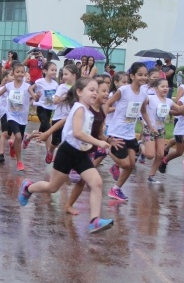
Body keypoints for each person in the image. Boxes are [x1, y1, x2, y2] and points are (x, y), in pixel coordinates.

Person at [18, 78, 115, 234]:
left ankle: (94, 221)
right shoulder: (79, 109)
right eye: (91, 90)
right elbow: (77, 133)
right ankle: (28, 188)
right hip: (68, 152)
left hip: (81, 153)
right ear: (79, 92)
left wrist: (103, 140)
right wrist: (98, 142)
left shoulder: (87, 110)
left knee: (96, 183)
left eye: (97, 90)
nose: (95, 93)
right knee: (53, 187)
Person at [104, 62, 156, 200]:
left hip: (130, 133)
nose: (143, 77)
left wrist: (150, 126)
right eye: (140, 74)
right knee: (125, 163)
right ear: (132, 76)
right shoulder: (124, 90)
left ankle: (116, 189)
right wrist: (103, 122)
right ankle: (108, 150)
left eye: (145, 75)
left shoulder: (144, 93)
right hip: (117, 132)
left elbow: (143, 111)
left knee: (131, 165)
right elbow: (108, 103)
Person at [0, 63, 31, 171]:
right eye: (17, 72)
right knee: (18, 136)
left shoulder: (27, 86)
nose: (20, 74)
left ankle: (11, 146)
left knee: (17, 139)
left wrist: (36, 97)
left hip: (22, 117)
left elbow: (33, 96)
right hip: (10, 115)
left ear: (24, 74)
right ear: (13, 73)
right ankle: (19, 161)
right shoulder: (8, 86)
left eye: (22, 72)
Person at [30, 61, 59, 163]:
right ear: (45, 71)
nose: (54, 72)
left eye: (55, 70)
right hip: (41, 108)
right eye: (52, 70)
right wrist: (34, 96)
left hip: (49, 109)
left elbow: (57, 96)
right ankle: (49, 153)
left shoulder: (56, 84)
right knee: (48, 129)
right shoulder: (40, 81)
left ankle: (28, 137)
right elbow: (30, 88)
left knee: (42, 131)